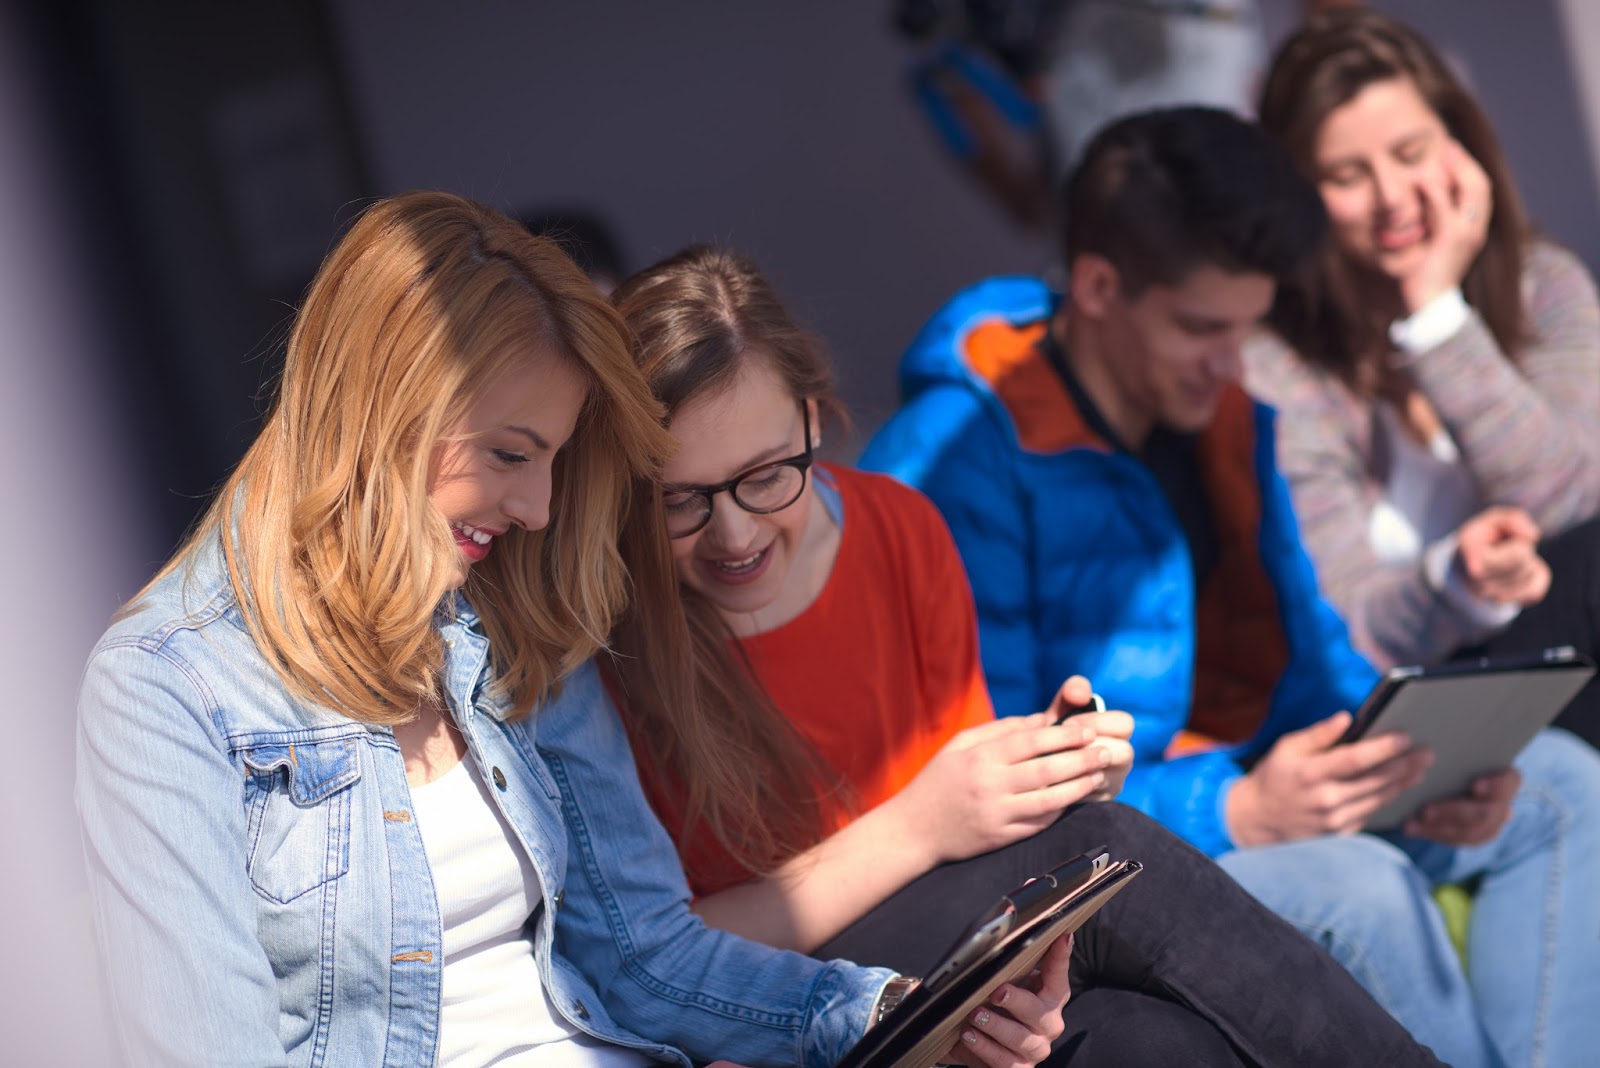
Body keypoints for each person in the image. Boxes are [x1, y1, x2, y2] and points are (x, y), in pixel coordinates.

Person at [74, 191, 1072, 1068]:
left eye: (553, 460)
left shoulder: (507, 622)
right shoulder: (167, 688)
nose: (540, 507)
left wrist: (902, 1019)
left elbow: (648, 961)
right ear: (381, 414)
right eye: (512, 453)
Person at [859, 106, 1600, 1068]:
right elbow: (981, 772)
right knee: (1361, 887)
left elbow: (1314, 663)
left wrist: (1409, 771)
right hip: (1089, 855)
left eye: (1248, 327)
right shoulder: (961, 459)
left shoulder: (1226, 420)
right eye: (1203, 327)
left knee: (1561, 784)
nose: (1232, 361)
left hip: (1245, 786)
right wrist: (1234, 809)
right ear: (1097, 286)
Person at [605, 244, 1451, 1066]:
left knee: (1151, 1040)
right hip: (764, 1001)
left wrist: (1042, 773)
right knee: (1104, 846)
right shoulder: (603, 637)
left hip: (917, 950)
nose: (734, 531)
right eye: (677, 500)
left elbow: (973, 852)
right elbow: (652, 963)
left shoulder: (897, 528)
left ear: (814, 422)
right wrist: (928, 825)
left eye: (765, 476)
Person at [1243, 9, 1600, 748]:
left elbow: (1573, 501)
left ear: (1461, 143)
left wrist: (1436, 317)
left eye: (1411, 152)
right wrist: (1456, 584)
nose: (1393, 197)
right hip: (1409, 704)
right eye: (1347, 176)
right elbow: (1344, 622)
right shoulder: (1275, 364)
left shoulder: (1546, 285)